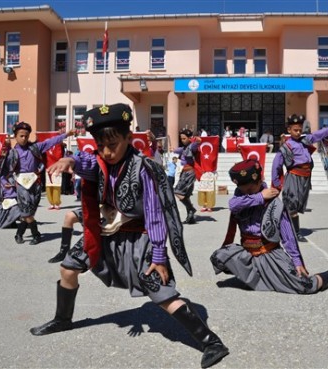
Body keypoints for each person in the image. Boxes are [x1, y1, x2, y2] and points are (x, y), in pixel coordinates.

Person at [30, 104, 229, 369]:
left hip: (140, 238)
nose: (108, 152)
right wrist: (70, 160)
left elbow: (155, 215)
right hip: (104, 232)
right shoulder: (98, 160)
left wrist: (159, 255)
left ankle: (211, 343)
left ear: (127, 137)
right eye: (101, 145)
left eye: (113, 144)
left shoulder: (144, 168)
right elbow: (85, 162)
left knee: (162, 294)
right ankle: (63, 318)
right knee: (68, 269)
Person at [211, 159, 328, 294]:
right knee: (219, 258)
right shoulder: (241, 197)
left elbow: (288, 236)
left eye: (250, 190)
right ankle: (262, 276)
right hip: (248, 252)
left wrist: (297, 261)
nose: (246, 194)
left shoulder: (274, 204)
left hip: (269, 252)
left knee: (304, 286)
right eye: (243, 190)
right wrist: (259, 197)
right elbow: (233, 204)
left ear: (260, 180)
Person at [272, 114, 328, 242]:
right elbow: (276, 165)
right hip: (294, 177)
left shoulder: (304, 140)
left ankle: (282, 228)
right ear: (289, 130)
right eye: (296, 130)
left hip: (305, 178)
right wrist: (276, 183)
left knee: (297, 206)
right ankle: (295, 233)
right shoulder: (286, 147)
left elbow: (318, 134)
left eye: (300, 129)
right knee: (291, 205)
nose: (299, 132)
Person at [5, 121, 73, 245]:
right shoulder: (11, 153)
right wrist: (7, 184)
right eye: (21, 135)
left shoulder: (35, 148)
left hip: (35, 184)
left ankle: (19, 234)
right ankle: (36, 235)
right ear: (15, 136)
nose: (24, 138)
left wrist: (66, 135)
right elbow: (5, 170)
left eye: (26, 135)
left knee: (29, 212)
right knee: (26, 211)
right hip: (21, 185)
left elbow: (51, 141)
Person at [173, 128, 201, 224]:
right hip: (185, 172)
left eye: (184, 138)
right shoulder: (184, 148)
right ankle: (191, 218)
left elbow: (196, 144)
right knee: (186, 195)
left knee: (177, 192)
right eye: (181, 138)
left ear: (189, 138)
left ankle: (191, 208)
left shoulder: (192, 146)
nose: (182, 140)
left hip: (189, 173)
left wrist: (197, 141)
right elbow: (177, 150)